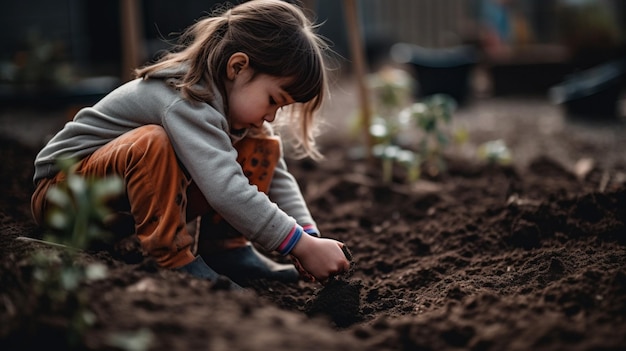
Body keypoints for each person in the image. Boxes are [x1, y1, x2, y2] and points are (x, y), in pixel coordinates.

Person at [30, 0, 351, 289]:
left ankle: (228, 250)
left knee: (261, 145)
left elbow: (278, 178)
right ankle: (172, 259)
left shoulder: (229, 109)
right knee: (151, 142)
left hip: (117, 209)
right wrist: (298, 246)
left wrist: (309, 236)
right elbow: (226, 190)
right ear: (238, 67)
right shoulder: (182, 98)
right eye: (273, 100)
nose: (271, 116)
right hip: (65, 198)